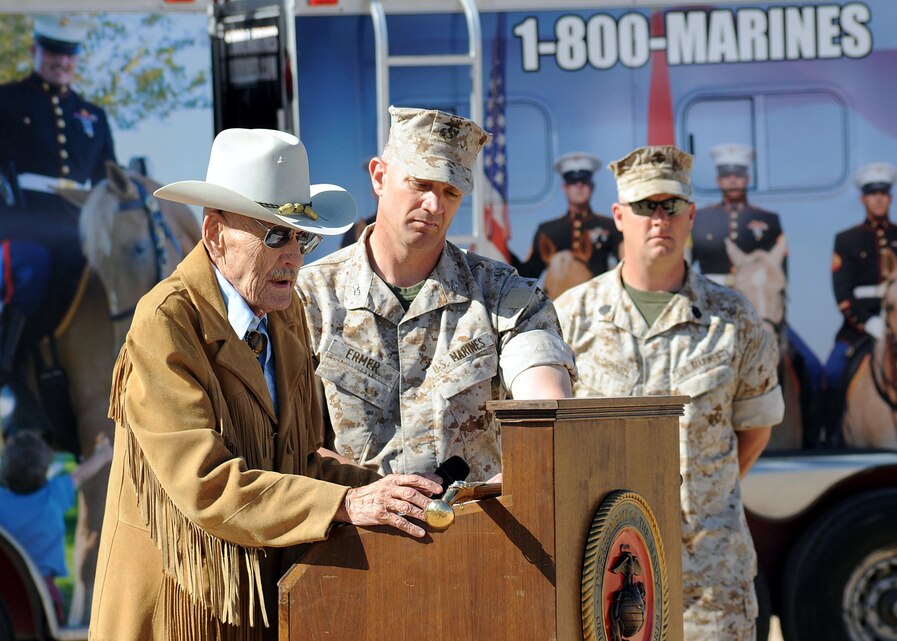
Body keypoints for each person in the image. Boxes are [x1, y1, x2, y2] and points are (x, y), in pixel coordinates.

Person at [88, 128, 442, 641]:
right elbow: (208, 484)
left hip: (258, 605)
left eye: (303, 237)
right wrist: (346, 504)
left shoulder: (285, 312)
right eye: (275, 234)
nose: (295, 256)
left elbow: (294, 461)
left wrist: (392, 491)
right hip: (177, 613)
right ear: (215, 234)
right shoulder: (165, 322)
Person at [554, 145, 784, 641]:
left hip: (710, 575)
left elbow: (756, 429)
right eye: (644, 206)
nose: (659, 218)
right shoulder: (571, 317)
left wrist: (701, 492)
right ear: (618, 216)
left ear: (690, 215)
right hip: (606, 577)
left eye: (671, 205)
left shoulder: (734, 318)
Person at [296, 106, 575, 481]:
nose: (435, 205)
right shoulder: (310, 299)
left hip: (476, 529)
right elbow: (290, 443)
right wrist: (378, 494)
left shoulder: (504, 297)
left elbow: (547, 414)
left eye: (451, 191)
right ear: (379, 177)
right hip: (356, 531)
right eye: (421, 184)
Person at [0, 15, 118, 439]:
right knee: (28, 268)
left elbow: (109, 178)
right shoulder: (8, 100)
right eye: (52, 53)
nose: (60, 63)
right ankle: (7, 362)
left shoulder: (92, 114)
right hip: (24, 223)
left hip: (80, 229)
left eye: (67, 56)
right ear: (36, 52)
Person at [0, 431, 113, 622]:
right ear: (44, 469)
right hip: (43, 594)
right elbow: (81, 475)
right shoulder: (53, 495)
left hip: (5, 594)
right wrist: (103, 454)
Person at [826, 162, 897, 390]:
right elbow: (842, 293)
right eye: (872, 193)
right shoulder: (847, 239)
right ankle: (834, 427)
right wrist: (868, 323)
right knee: (832, 373)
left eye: (883, 193)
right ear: (862, 199)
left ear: (890, 197)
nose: (878, 199)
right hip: (859, 329)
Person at [511, 151, 621, 297]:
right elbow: (528, 274)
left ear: (592, 186)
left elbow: (625, 266)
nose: (579, 186)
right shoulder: (548, 231)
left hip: (599, 302)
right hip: (558, 307)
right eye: (573, 182)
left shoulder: (610, 226)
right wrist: (501, 247)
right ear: (565, 188)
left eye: (584, 181)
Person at [690, 143, 784, 285]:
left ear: (748, 179)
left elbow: (779, 268)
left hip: (754, 292)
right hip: (710, 293)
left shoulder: (768, 219)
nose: (732, 180)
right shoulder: (701, 218)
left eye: (738, 175)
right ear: (718, 181)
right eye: (726, 175)